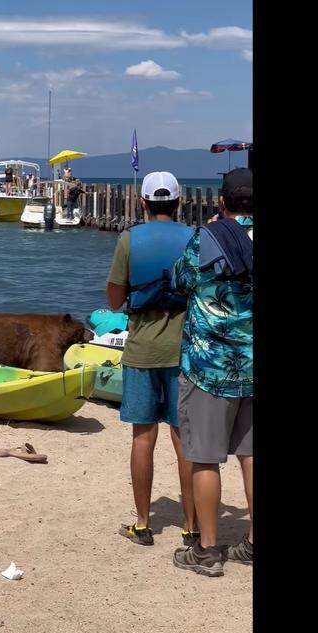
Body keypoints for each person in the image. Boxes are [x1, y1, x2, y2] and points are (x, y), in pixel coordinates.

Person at [168, 168, 254, 577]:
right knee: (251, 455)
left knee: (204, 458)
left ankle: (206, 550)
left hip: (210, 368)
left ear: (222, 201)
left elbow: (180, 280)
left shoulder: (208, 238)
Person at [106, 171, 199, 547]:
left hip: (142, 351)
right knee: (185, 440)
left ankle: (143, 524)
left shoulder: (129, 240)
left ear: (142, 202)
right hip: (185, 353)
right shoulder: (194, 238)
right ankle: (192, 526)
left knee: (143, 437)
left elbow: (114, 301)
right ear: (179, 203)